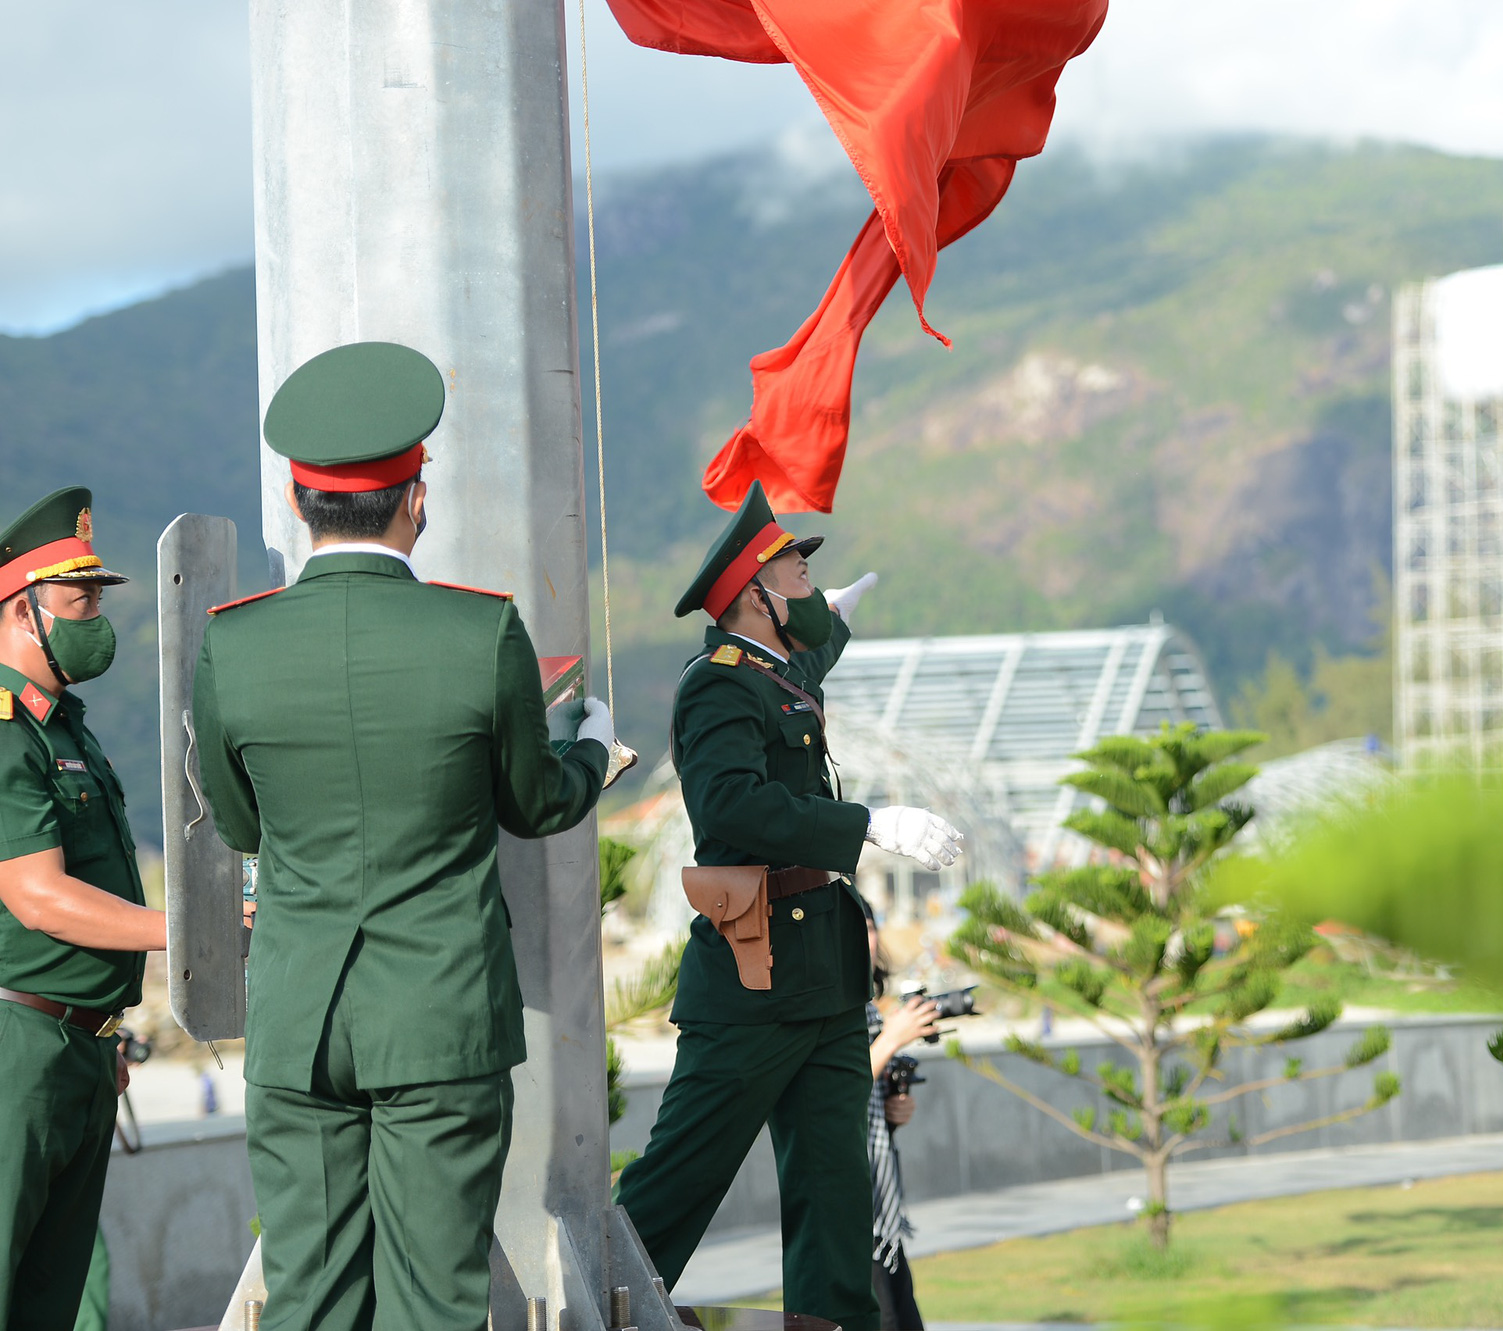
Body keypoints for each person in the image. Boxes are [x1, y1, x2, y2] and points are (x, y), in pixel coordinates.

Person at [192, 341, 623, 1331]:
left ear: (299, 504)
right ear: (414, 497)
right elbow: (535, 802)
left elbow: (241, 820)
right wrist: (591, 748)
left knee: (307, 1298)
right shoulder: (480, 633)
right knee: (434, 1303)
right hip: (436, 1019)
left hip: (300, 1023)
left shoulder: (236, 638)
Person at [614, 480, 964, 1331]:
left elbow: (803, 662)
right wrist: (870, 823)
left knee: (834, 1200)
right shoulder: (718, 686)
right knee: (678, 1185)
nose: (810, 590)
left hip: (825, 978)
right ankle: (600, 1306)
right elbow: (731, 806)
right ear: (754, 600)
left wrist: (830, 617)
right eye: (796, 581)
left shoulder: (772, 668)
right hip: (754, 975)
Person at [0, 487, 164, 1331]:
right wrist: (187, 929)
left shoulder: (67, 729)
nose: (97, 615)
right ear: (21, 610)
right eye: (79, 599)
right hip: (17, 1052)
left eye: (99, 596)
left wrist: (110, 1033)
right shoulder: (4, 729)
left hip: (82, 1046)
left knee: (50, 1301)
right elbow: (37, 893)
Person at [861, 901, 939, 1331]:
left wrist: (893, 1112)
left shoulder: (869, 1010)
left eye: (870, 925)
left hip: (880, 1202)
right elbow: (836, 1098)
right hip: (850, 1203)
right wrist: (891, 1039)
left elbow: (865, 1098)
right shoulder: (831, 1012)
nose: (866, 936)